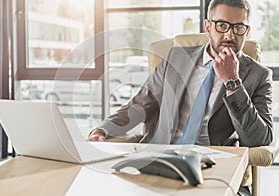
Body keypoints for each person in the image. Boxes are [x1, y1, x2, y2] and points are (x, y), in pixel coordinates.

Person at [87, 0, 274, 148]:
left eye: (238, 28)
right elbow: (140, 104)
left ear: (247, 31)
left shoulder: (259, 75)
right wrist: (103, 130)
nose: (230, 36)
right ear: (208, 27)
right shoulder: (175, 58)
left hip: (212, 162)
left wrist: (233, 82)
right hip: (160, 155)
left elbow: (260, 139)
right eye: (222, 26)